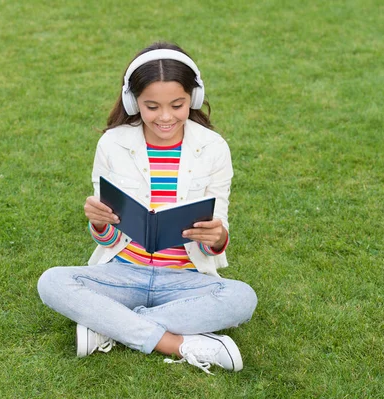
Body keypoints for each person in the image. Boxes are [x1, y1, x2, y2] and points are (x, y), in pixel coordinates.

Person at [37, 42, 257, 374]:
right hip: (123, 273)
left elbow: (217, 236)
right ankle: (178, 344)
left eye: (177, 105)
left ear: (193, 99)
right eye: (151, 106)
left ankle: (108, 326)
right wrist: (99, 224)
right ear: (132, 101)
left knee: (242, 298)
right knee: (51, 282)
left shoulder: (213, 148)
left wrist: (216, 235)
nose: (165, 117)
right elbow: (109, 240)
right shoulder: (113, 143)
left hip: (183, 279)